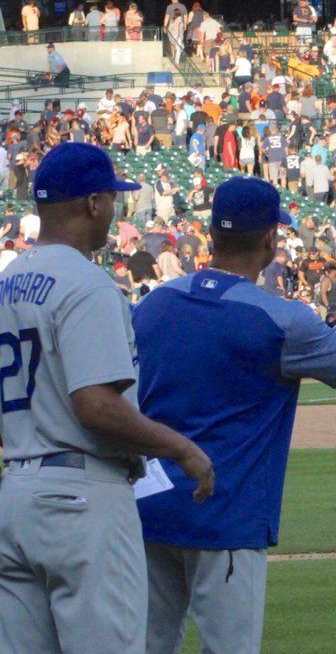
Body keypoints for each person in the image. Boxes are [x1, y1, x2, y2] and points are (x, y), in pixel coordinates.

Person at [133, 176, 336, 654]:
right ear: (270, 239)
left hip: (147, 510)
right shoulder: (279, 319)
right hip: (226, 517)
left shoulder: (153, 304)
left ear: (211, 233)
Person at [0, 142, 214, 653]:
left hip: (17, 493)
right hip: (82, 498)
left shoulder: (6, 283)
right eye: (112, 199)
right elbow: (96, 405)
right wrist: (181, 448)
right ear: (93, 203)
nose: (115, 210)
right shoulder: (86, 283)